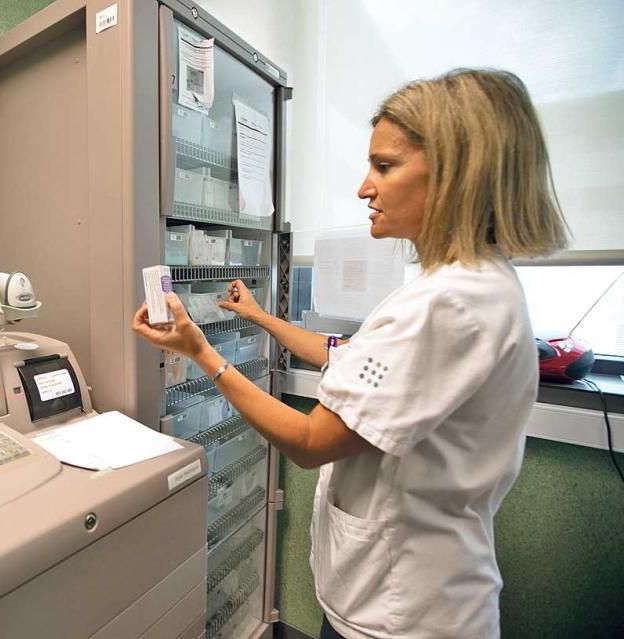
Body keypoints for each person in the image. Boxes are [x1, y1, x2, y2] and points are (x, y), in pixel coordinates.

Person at [133, 68, 569, 639]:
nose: (365, 187)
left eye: (385, 167)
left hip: (401, 615)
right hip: (416, 598)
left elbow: (311, 443)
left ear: (457, 175)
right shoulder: (476, 287)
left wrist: (203, 354)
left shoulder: (446, 306)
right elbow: (350, 356)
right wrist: (260, 318)